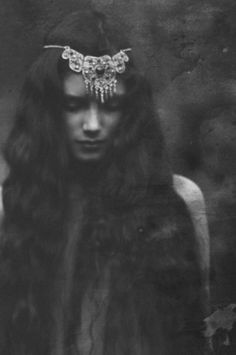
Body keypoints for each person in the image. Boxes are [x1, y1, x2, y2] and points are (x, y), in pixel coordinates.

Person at [0, 9, 210, 355]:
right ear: (50, 111)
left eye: (109, 106)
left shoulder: (181, 201)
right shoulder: (12, 208)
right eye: (74, 105)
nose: (93, 125)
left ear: (129, 113)